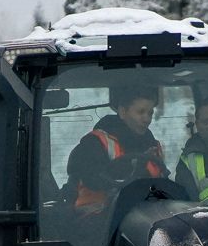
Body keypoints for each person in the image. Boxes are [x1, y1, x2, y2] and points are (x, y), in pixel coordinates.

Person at [64, 82, 168, 215]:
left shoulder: (152, 146)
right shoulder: (94, 143)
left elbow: (161, 181)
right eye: (141, 112)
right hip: (96, 218)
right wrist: (133, 169)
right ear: (123, 112)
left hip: (143, 215)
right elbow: (93, 180)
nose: (147, 119)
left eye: (150, 113)